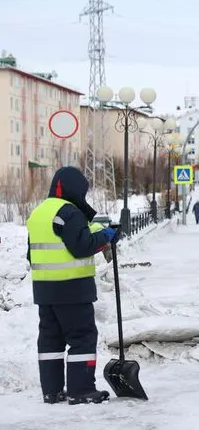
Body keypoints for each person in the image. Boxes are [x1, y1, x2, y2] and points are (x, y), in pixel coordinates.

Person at [25, 166, 117, 405]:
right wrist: (106, 235)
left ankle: (52, 391)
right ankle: (81, 390)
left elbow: (31, 254)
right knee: (82, 338)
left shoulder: (38, 213)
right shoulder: (70, 212)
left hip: (45, 291)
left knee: (50, 341)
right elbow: (82, 246)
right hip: (73, 289)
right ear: (74, 189)